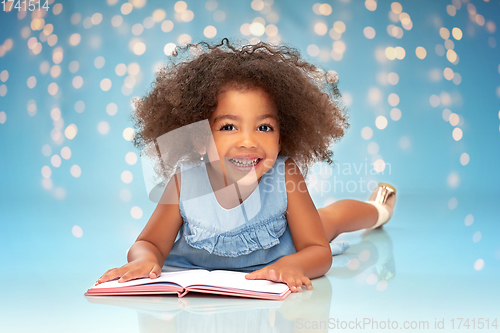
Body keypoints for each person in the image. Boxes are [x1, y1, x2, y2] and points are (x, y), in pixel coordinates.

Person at [96, 38, 396, 293]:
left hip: (284, 244)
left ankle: (380, 209)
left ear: (283, 133)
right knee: (323, 219)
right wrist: (143, 259)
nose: (248, 142)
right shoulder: (185, 181)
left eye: (264, 128)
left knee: (329, 220)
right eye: (229, 127)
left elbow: (318, 252)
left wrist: (291, 264)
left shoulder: (283, 174)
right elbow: (149, 242)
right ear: (200, 136)